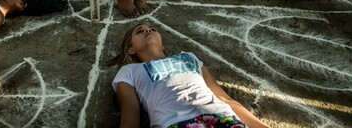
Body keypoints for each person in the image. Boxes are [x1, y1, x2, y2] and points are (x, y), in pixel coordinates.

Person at [110, 23, 269, 128]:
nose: (148, 30)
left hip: (222, 117)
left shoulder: (189, 57)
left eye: (152, 29)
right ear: (131, 49)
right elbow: (130, 119)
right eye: (140, 31)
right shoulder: (129, 71)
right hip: (174, 123)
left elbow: (225, 99)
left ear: (162, 43)